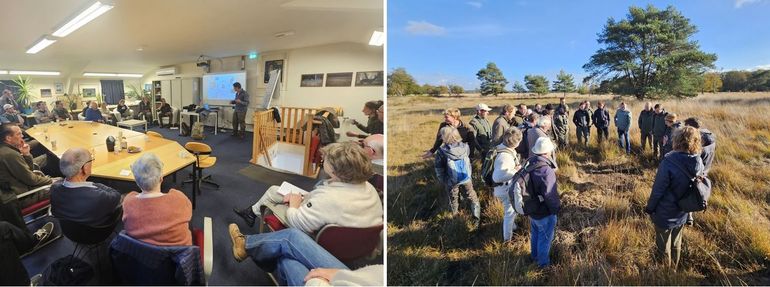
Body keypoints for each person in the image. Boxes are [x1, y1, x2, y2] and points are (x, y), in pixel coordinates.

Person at [233, 142, 382, 234]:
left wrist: (294, 204)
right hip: (331, 215)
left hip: (308, 227)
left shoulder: (329, 198)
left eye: (325, 160)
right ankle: (251, 212)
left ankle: (253, 215)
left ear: (335, 170)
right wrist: (304, 198)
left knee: (274, 197)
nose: (322, 160)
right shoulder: (368, 187)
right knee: (274, 190)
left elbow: (297, 222)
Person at [228, 227, 383, 286]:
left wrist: (319, 282)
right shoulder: (371, 194)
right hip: (360, 278)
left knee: (287, 257)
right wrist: (341, 274)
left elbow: (300, 220)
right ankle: (247, 247)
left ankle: (246, 246)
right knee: (291, 240)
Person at [645, 126, 704, 268]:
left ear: (676, 140)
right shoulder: (698, 162)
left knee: (663, 245)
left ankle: (664, 273)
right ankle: (674, 270)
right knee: (676, 243)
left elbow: (658, 190)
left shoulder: (668, 162)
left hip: (665, 212)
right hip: (683, 211)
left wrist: (650, 208)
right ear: (695, 142)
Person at [0, 124, 56, 259]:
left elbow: (27, 172)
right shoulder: (9, 154)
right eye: (18, 134)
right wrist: (51, 180)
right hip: (21, 196)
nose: (22, 136)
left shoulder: (7, 150)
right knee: (61, 185)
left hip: (13, 193)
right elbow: (31, 179)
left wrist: (26, 154)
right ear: (8, 138)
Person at [123, 153, 192, 246]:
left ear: (136, 181)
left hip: (139, 253)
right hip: (180, 254)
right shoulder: (179, 199)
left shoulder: (128, 203)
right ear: (161, 178)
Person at [50, 148, 122, 226]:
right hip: (99, 230)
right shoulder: (98, 196)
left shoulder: (54, 188)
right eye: (91, 161)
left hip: (66, 229)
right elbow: (117, 196)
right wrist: (94, 184)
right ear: (84, 168)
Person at [434, 126, 480, 228]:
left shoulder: (441, 151)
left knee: (453, 198)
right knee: (472, 196)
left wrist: (444, 180)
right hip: (466, 177)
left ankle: (455, 219)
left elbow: (439, 168)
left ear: (445, 136)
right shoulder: (465, 146)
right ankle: (476, 220)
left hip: (451, 180)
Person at [525, 137, 560, 268]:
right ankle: (543, 266)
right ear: (547, 152)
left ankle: (534, 257)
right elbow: (550, 195)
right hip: (544, 211)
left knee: (535, 235)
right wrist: (555, 210)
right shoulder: (546, 170)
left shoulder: (529, 163)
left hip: (532, 208)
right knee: (545, 239)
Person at [491, 127, 523, 242]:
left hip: (503, 188)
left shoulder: (502, 148)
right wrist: (516, 171)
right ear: (517, 142)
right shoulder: (505, 156)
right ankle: (507, 240)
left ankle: (513, 227)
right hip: (504, 189)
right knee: (510, 214)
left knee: (510, 211)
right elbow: (497, 177)